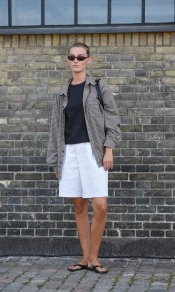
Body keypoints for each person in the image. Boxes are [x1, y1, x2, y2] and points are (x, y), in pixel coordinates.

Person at [47, 42, 121, 274]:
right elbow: (55, 129)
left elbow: (113, 119)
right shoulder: (62, 93)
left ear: (89, 60)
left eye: (81, 57)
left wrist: (109, 148)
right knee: (79, 205)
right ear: (68, 61)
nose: (76, 60)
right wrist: (55, 160)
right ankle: (85, 257)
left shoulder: (99, 87)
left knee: (100, 206)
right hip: (70, 153)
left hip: (94, 151)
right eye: (72, 57)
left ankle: (95, 258)